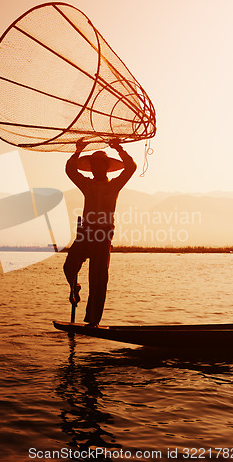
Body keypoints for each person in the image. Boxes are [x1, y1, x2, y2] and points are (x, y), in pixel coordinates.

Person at [63, 139, 137, 327]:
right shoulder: (87, 185)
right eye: (94, 165)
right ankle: (74, 286)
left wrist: (119, 148)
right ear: (92, 168)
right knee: (69, 265)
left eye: (100, 165)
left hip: (103, 234)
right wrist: (78, 150)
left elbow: (131, 167)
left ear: (105, 167)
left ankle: (93, 320)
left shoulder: (114, 185)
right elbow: (70, 170)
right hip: (86, 231)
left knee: (98, 277)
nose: (97, 168)